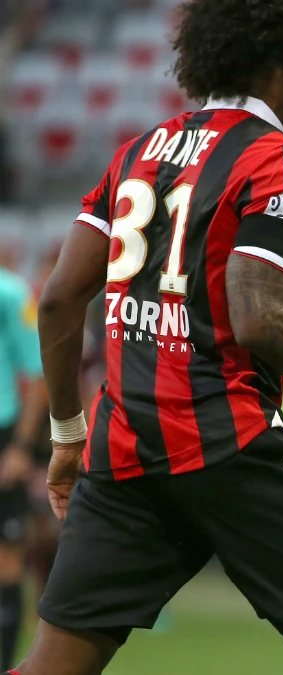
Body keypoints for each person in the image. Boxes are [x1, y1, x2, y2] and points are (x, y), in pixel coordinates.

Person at [18, 2, 283, 673]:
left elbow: (57, 301)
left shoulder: (140, 150)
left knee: (52, 665)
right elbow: (259, 315)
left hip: (122, 452)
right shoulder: (276, 161)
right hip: (229, 445)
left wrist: (68, 434)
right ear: (270, 56)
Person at [0, 255, 46, 671]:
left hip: (2, 435)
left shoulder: (12, 293)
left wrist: (20, 447)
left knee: (7, 562)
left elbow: (37, 372)